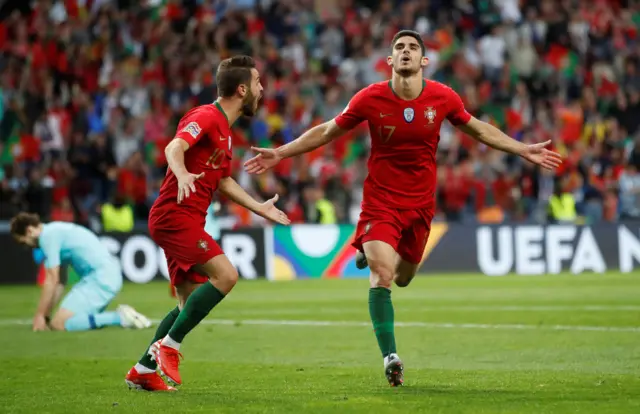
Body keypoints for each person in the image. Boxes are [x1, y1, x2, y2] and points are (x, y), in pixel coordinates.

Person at [244, 30, 563, 387]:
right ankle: (390, 357)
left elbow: (480, 131)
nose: (406, 52)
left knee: (403, 277)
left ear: (424, 61)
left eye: (413, 48)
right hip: (381, 202)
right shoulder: (370, 97)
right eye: (400, 48)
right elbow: (327, 131)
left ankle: (370, 249)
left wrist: (522, 149)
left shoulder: (443, 97)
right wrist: (281, 152)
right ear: (390, 61)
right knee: (382, 274)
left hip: (421, 205)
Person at [125, 55, 291, 392]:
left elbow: (224, 181)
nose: (262, 89)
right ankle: (169, 347)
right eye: (258, 83)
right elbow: (175, 146)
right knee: (227, 276)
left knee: (187, 303)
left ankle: (143, 369)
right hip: (175, 216)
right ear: (242, 89)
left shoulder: (226, 133)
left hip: (185, 218)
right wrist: (182, 171)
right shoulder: (206, 116)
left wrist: (259, 208)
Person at [9, 213, 151, 332]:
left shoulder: (47, 237)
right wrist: (46, 317)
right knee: (65, 321)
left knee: (60, 323)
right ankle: (117, 318)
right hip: (106, 275)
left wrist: (39, 316)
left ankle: (120, 318)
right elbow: (59, 284)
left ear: (29, 231)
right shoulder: (55, 231)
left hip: (99, 278)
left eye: (23, 242)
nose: (27, 246)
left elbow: (51, 280)